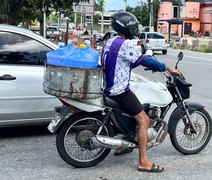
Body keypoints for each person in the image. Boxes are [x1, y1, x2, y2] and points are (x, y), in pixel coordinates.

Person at [101, 12, 179, 173]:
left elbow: (122, 61)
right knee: (143, 120)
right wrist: (166, 68)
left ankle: (122, 146)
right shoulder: (125, 45)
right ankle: (143, 161)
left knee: (131, 112)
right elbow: (144, 59)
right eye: (132, 25)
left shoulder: (110, 41)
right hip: (119, 90)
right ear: (127, 27)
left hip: (108, 86)